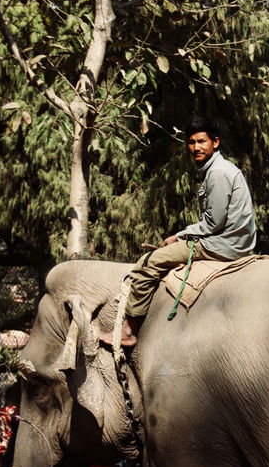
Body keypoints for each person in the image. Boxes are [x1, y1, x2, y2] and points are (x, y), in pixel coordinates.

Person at [100, 115, 256, 348]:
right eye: (192, 143)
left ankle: (129, 331)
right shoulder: (219, 169)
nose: (196, 147)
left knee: (147, 264)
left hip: (222, 245)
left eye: (202, 141)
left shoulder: (218, 173)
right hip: (230, 240)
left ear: (215, 142)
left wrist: (178, 236)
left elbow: (213, 224)